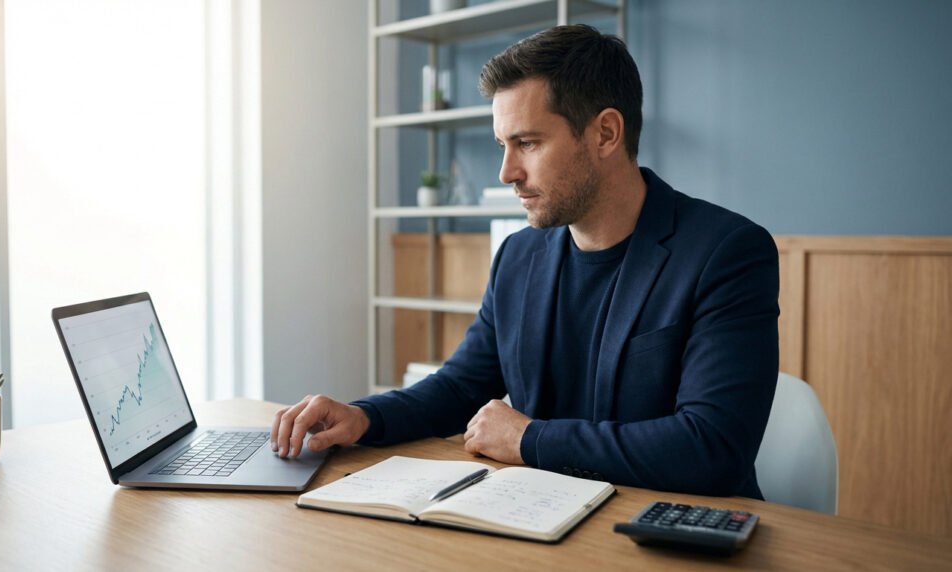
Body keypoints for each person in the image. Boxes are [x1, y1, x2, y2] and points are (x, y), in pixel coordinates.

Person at [271, 24, 779, 498]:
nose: (506, 172)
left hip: (671, 533)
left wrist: (530, 439)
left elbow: (711, 447)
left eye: (528, 143)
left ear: (605, 134)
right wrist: (363, 417)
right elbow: (460, 386)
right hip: (544, 517)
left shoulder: (727, 253)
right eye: (502, 145)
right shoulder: (520, 255)